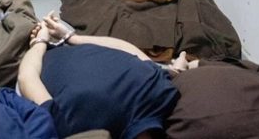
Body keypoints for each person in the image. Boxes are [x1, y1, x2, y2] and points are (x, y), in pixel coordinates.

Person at [18, 11, 180, 139]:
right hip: (68, 45)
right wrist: (70, 36)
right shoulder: (165, 92)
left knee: (20, 21)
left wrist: (39, 43)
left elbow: (26, 78)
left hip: (33, 59)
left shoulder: (77, 130)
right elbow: (130, 51)